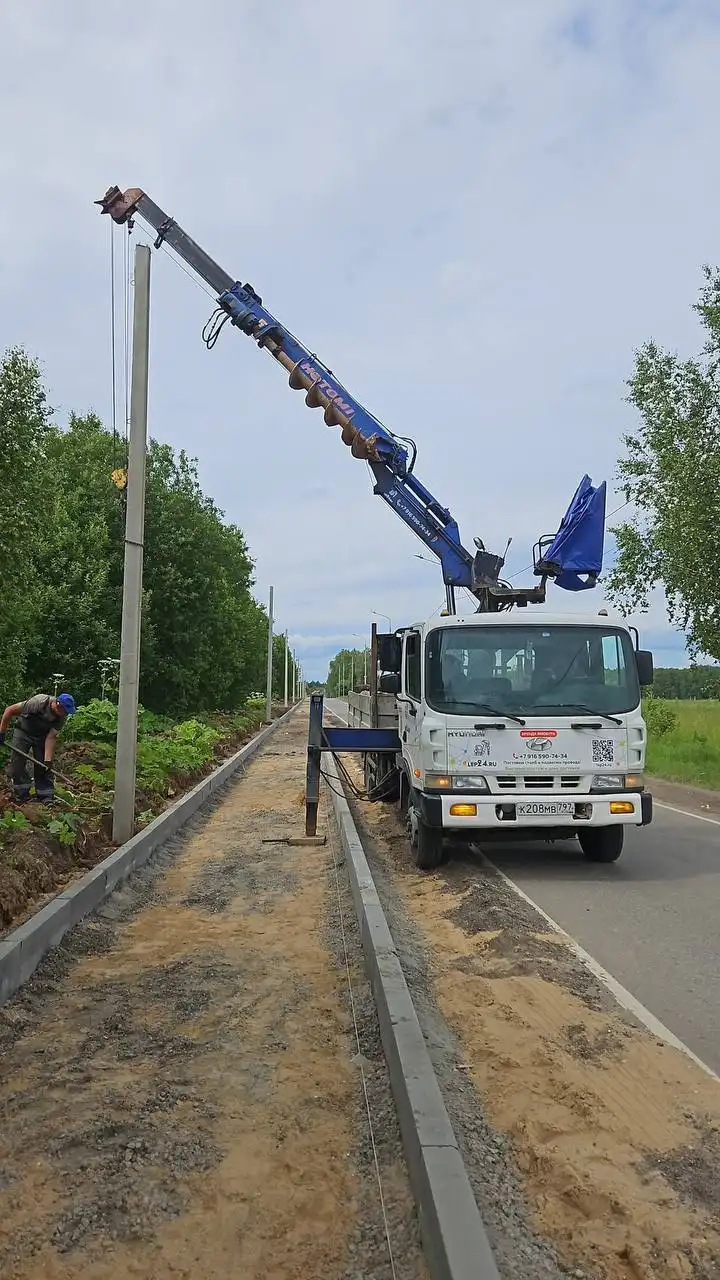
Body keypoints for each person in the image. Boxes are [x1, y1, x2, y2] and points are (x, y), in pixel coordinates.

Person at [0, 692, 76, 803]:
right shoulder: (38, 702)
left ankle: (45, 796)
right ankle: (22, 795)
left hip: (42, 736)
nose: (64, 714)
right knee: (17, 763)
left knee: (43, 766)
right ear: (57, 704)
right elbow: (9, 710)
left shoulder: (61, 718)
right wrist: (2, 733)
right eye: (64, 711)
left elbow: (51, 737)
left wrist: (47, 760)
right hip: (23, 731)